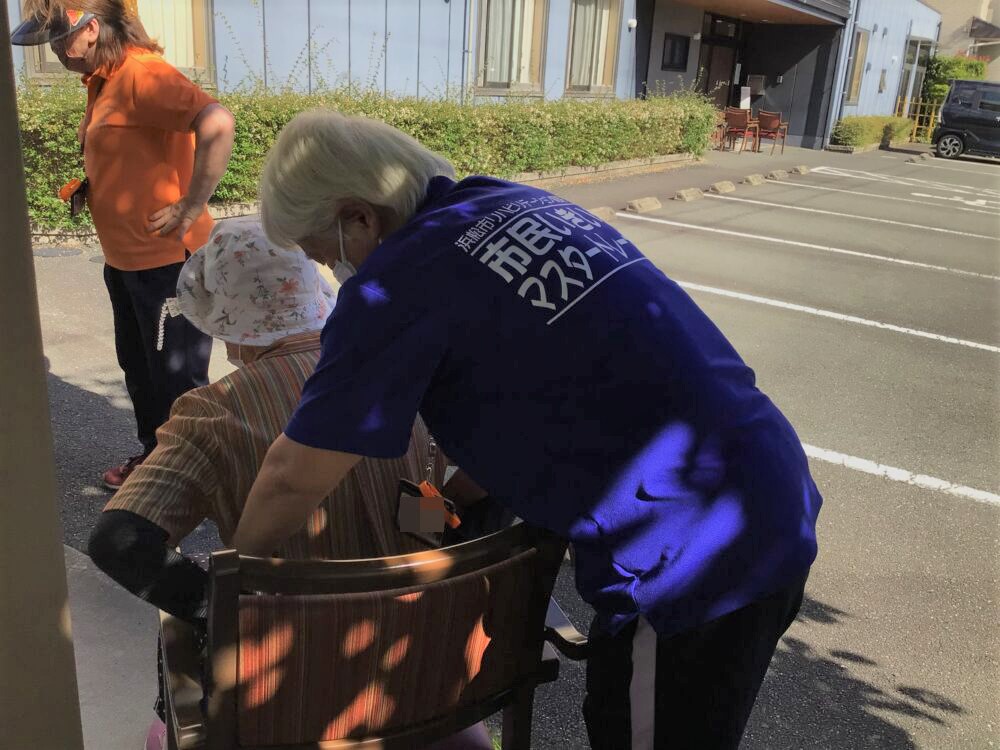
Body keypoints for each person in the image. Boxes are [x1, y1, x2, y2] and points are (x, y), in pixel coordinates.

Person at [233, 110, 824, 750]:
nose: (328, 270)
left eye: (320, 251)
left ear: (359, 217)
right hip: (763, 483)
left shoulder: (396, 285)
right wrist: (453, 499)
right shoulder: (509, 204)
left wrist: (233, 583)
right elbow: (547, 383)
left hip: (694, 546)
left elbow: (294, 475)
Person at [87, 218, 492, 750]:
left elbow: (120, 541)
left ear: (226, 325)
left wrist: (221, 606)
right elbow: (432, 505)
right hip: (426, 670)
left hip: (294, 691)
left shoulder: (210, 413)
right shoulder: (394, 375)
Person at [12, 1, 235, 489]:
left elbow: (217, 123)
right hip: (126, 262)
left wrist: (191, 206)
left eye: (57, 37)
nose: (53, 50)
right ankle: (157, 457)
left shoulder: (142, 74)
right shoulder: (102, 80)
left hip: (167, 266)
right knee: (141, 369)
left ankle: (196, 480)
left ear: (90, 30)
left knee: (177, 381)